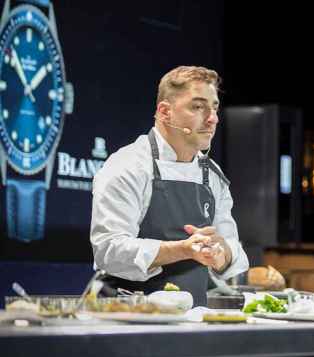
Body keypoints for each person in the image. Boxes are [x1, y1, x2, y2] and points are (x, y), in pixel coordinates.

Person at [90, 66, 249, 307]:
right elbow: (109, 250)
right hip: (126, 317)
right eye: (197, 107)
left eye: (214, 107)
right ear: (165, 112)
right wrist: (183, 250)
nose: (212, 118)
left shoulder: (212, 175)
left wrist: (220, 252)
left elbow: (232, 250)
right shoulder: (128, 166)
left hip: (192, 320)